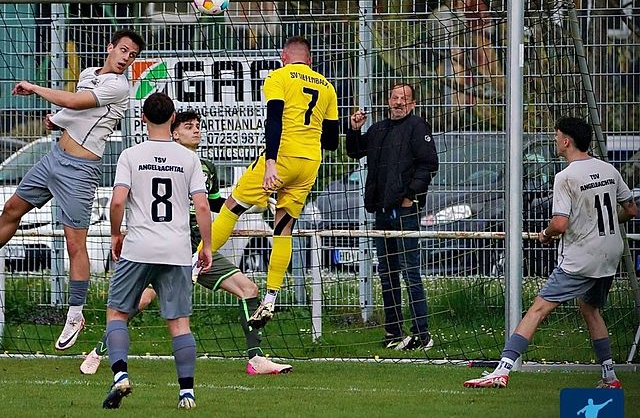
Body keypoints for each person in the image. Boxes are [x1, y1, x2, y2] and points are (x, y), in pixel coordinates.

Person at [0, 29, 145, 351]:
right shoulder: (87, 74)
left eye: (133, 55)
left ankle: (75, 313)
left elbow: (74, 101)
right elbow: (77, 111)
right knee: (12, 208)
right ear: (110, 48)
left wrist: (35, 88)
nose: (127, 58)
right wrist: (59, 121)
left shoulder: (119, 86)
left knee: (74, 245)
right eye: (124, 50)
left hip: (81, 171)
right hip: (54, 158)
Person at [80, 110, 293, 376]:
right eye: (189, 126)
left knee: (248, 289)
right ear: (174, 131)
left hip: (196, 247)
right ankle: (98, 351)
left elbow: (211, 203)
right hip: (167, 244)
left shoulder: (205, 166)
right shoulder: (159, 159)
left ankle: (256, 358)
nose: (196, 131)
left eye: (198, 126)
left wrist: (249, 205)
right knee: (142, 300)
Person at [465, 117, 637, 389]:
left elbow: (559, 224)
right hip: (610, 252)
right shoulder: (608, 169)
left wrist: (545, 234)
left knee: (538, 308)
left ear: (566, 140)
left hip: (582, 256)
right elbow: (630, 209)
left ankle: (502, 370)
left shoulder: (566, 176)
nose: (555, 140)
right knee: (589, 307)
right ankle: (610, 376)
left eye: (557, 135)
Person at [206, 36, 339, 327]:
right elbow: (330, 141)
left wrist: (270, 163)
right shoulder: (327, 87)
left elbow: (274, 120)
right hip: (309, 164)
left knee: (233, 206)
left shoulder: (279, 76)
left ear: (284, 57)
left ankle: (197, 263)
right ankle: (270, 298)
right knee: (283, 228)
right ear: (310, 60)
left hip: (282, 157)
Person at [99, 92, 213, 410]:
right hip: (176, 248)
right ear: (173, 119)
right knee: (179, 322)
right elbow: (202, 206)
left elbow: (118, 200)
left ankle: (121, 374)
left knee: (118, 312)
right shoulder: (189, 159)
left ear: (143, 119)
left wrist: (115, 234)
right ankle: (186, 393)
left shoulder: (131, 155)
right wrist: (208, 247)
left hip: (138, 246)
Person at [345, 83, 439, 350]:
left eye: (405, 99)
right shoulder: (378, 130)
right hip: (382, 213)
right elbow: (354, 151)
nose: (399, 102)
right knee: (387, 274)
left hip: (405, 212)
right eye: (395, 97)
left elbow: (429, 164)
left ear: (413, 104)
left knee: (410, 272)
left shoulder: (417, 126)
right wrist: (353, 129)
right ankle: (394, 333)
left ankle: (422, 334)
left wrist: (410, 196)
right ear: (388, 101)